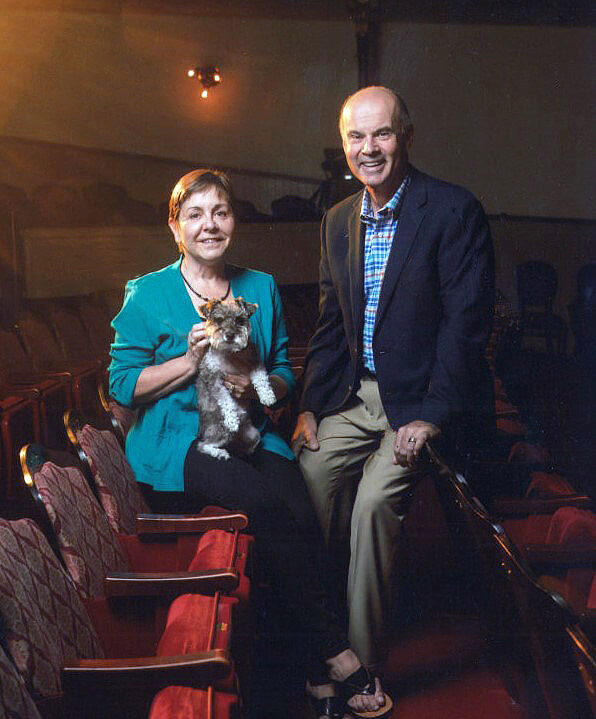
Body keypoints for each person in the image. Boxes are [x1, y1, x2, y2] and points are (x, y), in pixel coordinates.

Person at [109, 168, 393, 719]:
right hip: (178, 447)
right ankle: (334, 658)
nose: (209, 225)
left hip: (249, 433)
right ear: (175, 227)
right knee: (264, 509)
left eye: (220, 212)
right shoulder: (147, 293)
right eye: (194, 214)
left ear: (233, 220)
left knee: (303, 513)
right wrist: (188, 363)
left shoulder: (260, 286)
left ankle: (308, 669)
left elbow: (283, 372)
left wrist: (260, 383)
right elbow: (122, 386)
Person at [292, 86, 495, 676]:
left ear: (406, 136)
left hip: (423, 397)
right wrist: (309, 406)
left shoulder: (453, 210)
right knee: (309, 476)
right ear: (344, 146)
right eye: (356, 137)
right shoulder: (336, 221)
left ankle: (360, 665)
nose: (369, 148)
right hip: (357, 395)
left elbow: (466, 326)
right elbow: (332, 327)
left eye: (381, 134)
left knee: (374, 504)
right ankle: (321, 637)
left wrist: (431, 415)